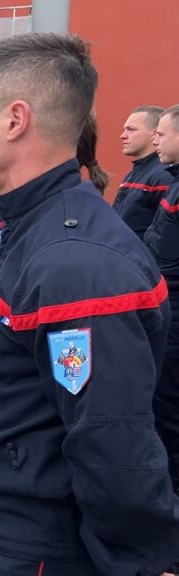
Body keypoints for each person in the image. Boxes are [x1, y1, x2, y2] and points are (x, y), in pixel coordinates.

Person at [0, 32, 179, 575]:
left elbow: (112, 444)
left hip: (39, 549)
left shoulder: (74, 264)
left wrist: (141, 560)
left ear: (15, 120)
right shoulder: (36, 226)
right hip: (7, 526)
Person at [145, 104, 179, 494]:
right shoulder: (172, 181)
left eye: (162, 132)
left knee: (169, 416)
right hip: (165, 316)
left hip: (176, 329)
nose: (156, 137)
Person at [113, 105, 171, 239]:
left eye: (131, 130)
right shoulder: (135, 174)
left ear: (155, 133)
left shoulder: (164, 176)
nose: (123, 136)